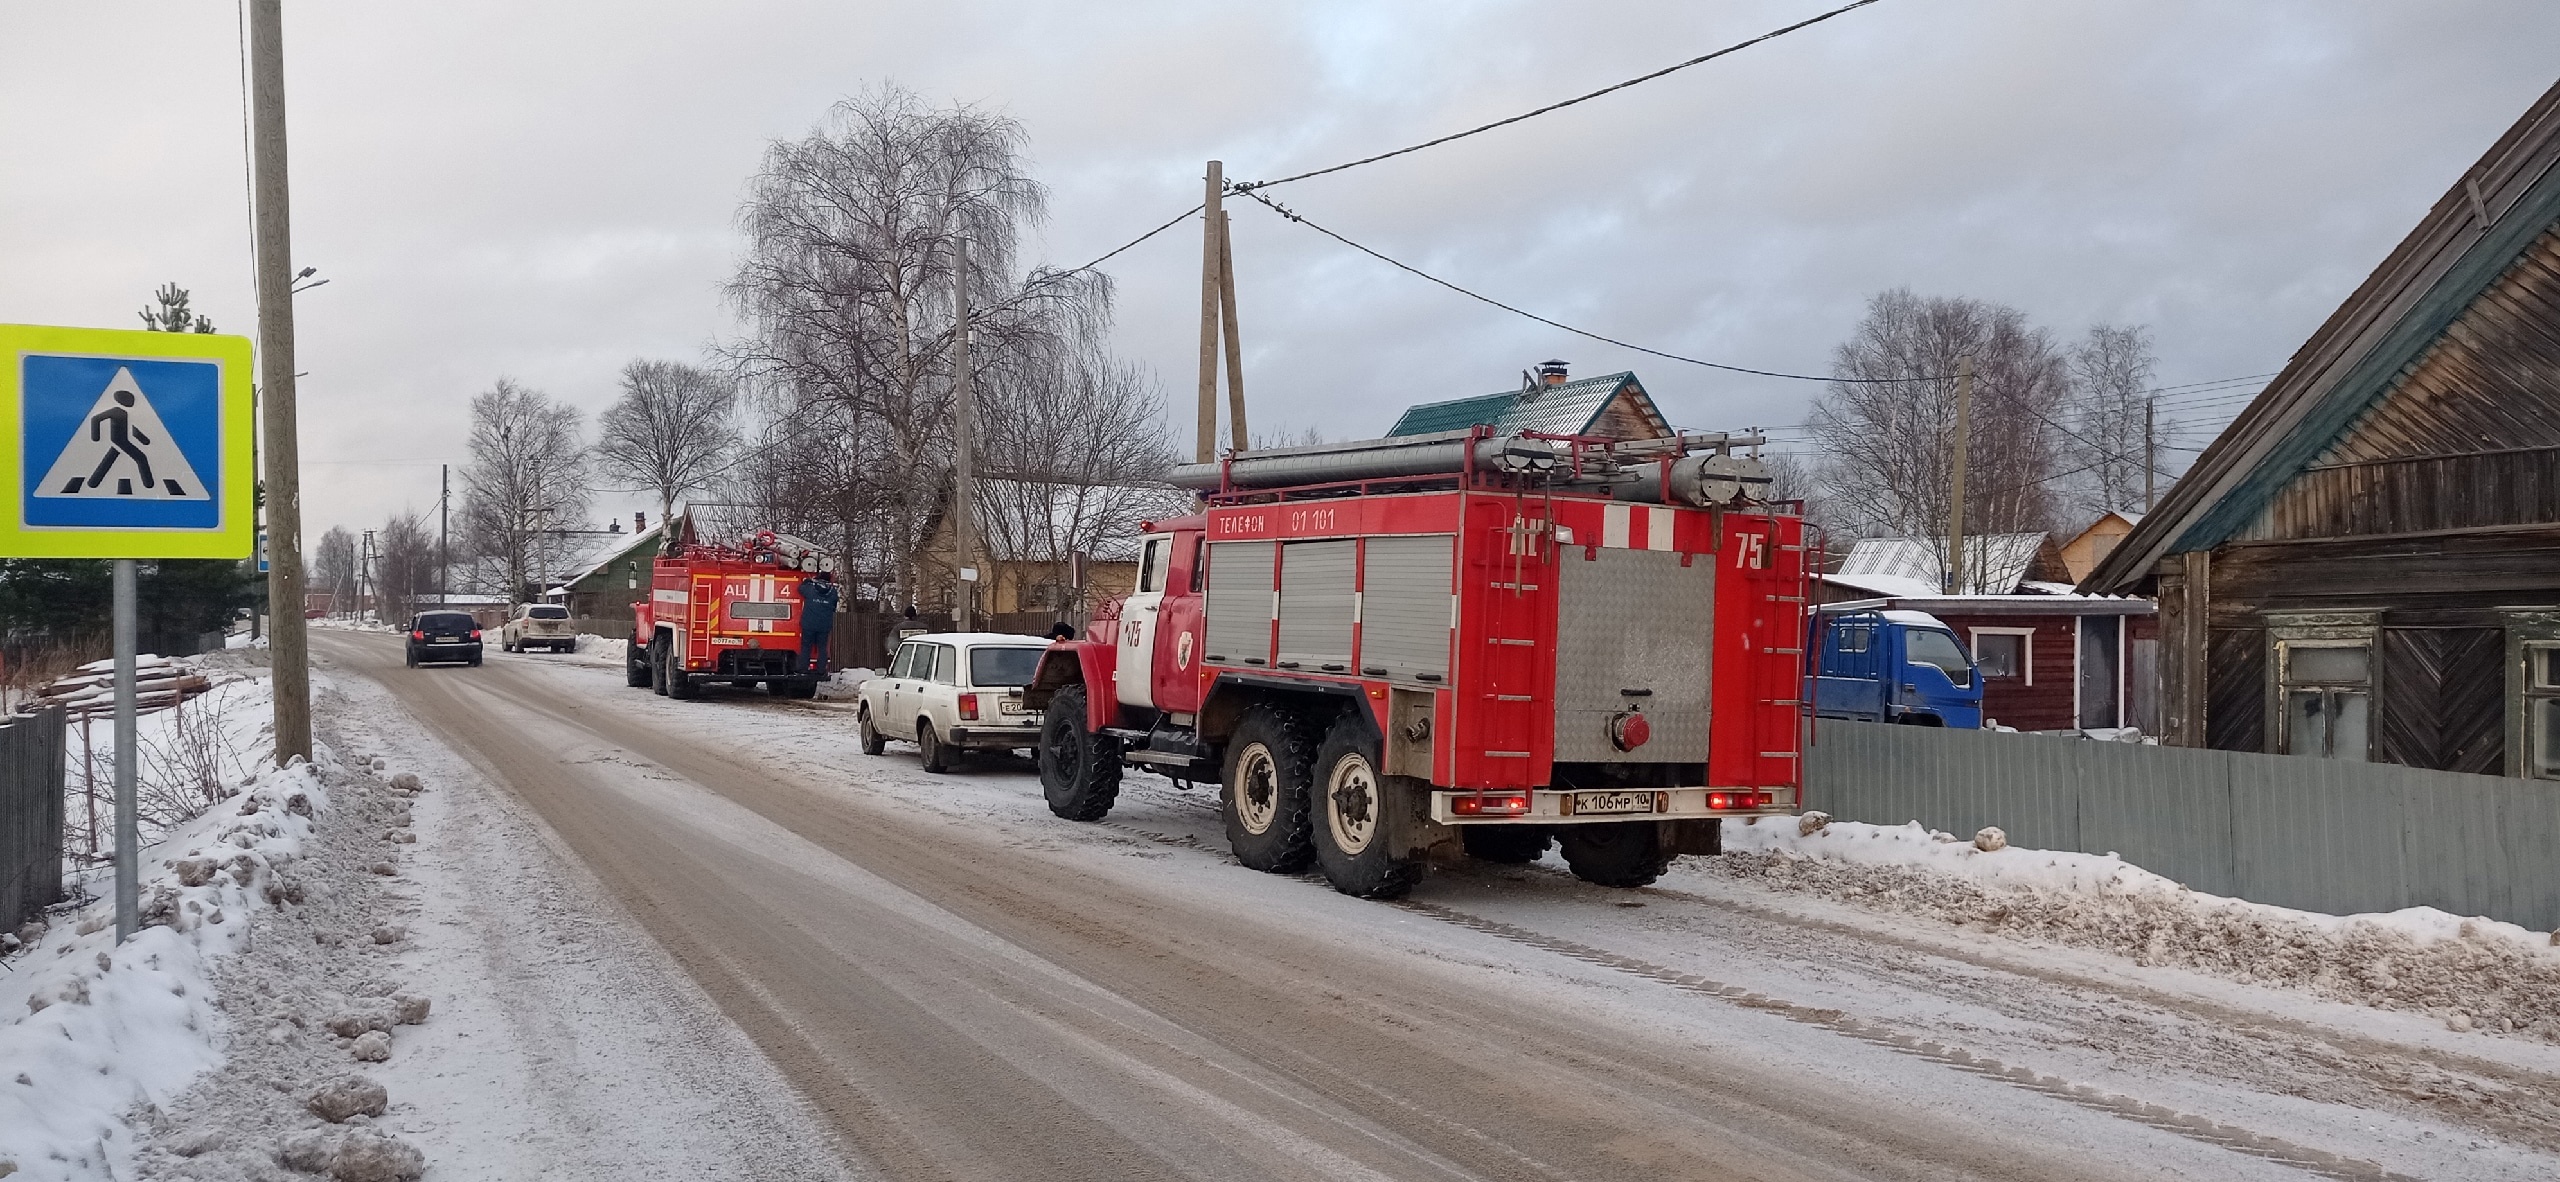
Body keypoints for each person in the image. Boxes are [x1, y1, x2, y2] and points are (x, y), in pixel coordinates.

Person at [797, 570, 840, 676]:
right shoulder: (833, 592)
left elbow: (800, 588)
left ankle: (803, 668)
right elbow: (834, 605)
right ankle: (821, 669)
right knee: (822, 647)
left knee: (806, 646)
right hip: (824, 625)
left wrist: (807, 581)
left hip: (809, 624)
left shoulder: (811, 589)